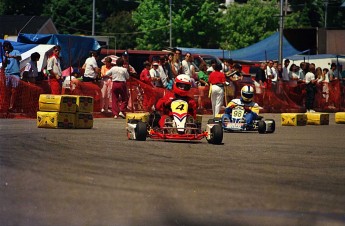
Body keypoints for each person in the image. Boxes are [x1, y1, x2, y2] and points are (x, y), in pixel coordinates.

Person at [2, 41, 22, 112]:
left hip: (15, 73)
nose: (4, 49)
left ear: (8, 46)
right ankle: (7, 105)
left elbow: (19, 58)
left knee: (14, 90)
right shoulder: (5, 55)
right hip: (7, 74)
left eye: (5, 47)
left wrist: (10, 56)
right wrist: (5, 59)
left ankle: (12, 106)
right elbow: (4, 65)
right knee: (7, 90)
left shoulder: (16, 51)